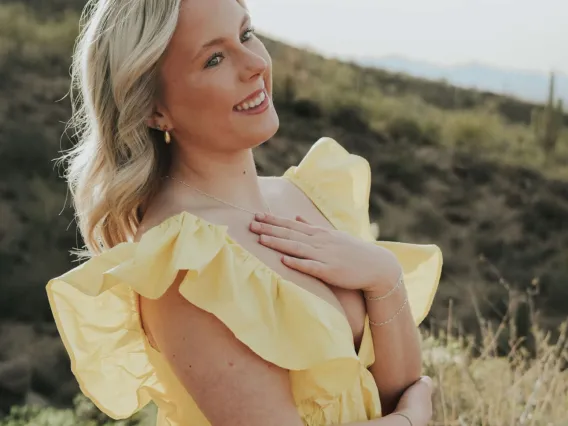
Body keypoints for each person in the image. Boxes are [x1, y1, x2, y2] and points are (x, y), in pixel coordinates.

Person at [45, 0, 443, 425]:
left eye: (247, 34)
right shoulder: (185, 264)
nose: (254, 64)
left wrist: (385, 276)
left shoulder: (302, 195)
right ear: (153, 108)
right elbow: (409, 406)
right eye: (214, 58)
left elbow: (396, 391)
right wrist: (410, 420)